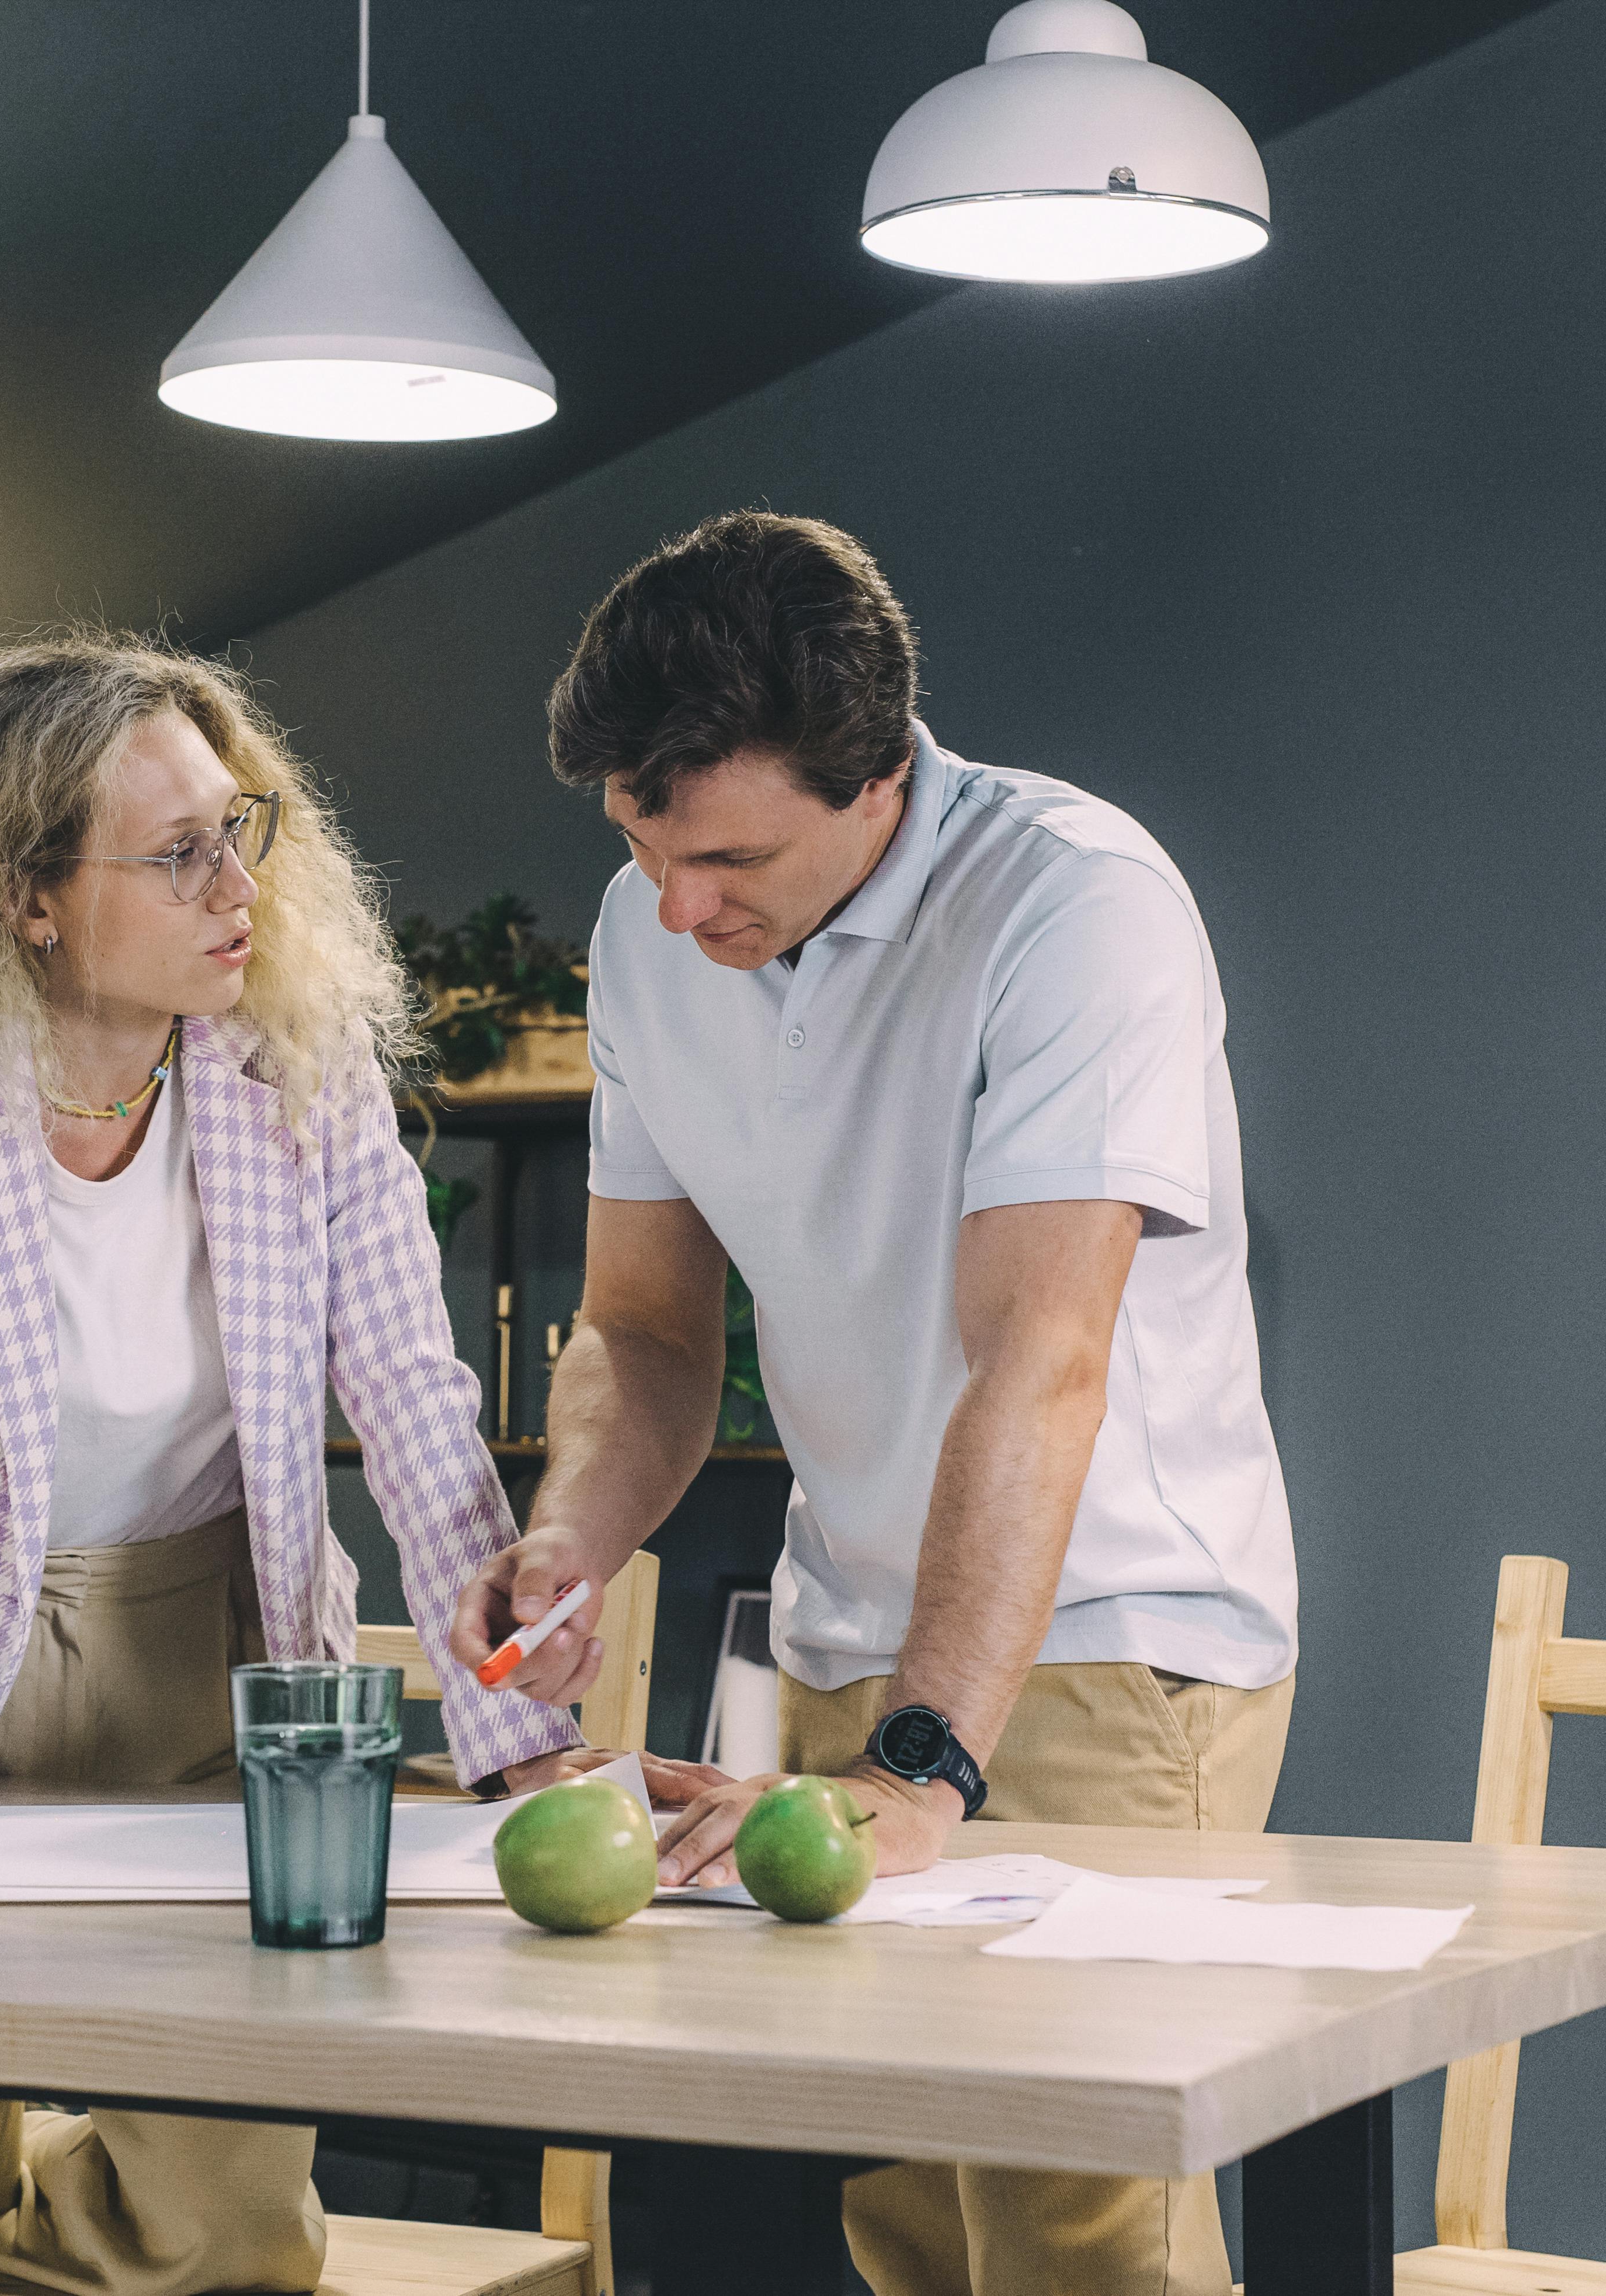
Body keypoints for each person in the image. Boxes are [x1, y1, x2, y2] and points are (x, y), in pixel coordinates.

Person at [0, 633, 676, 2296]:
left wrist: (519, 1735)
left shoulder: (294, 1070)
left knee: (224, 2233)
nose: (238, 885)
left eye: (242, 829)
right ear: (24, 896)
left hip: (212, 1662)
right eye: (177, 852)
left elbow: (415, 1399)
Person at [451, 513, 1299, 2296]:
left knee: (1080, 2235)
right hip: (855, 1640)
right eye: (641, 842)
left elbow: (1042, 1354)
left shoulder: (1078, 905)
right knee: (910, 2222)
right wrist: (572, 1536)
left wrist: (927, 1754)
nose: (683, 908)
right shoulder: (653, 924)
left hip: (1101, 1640)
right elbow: (645, 1326)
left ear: (877, 780)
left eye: (731, 856)